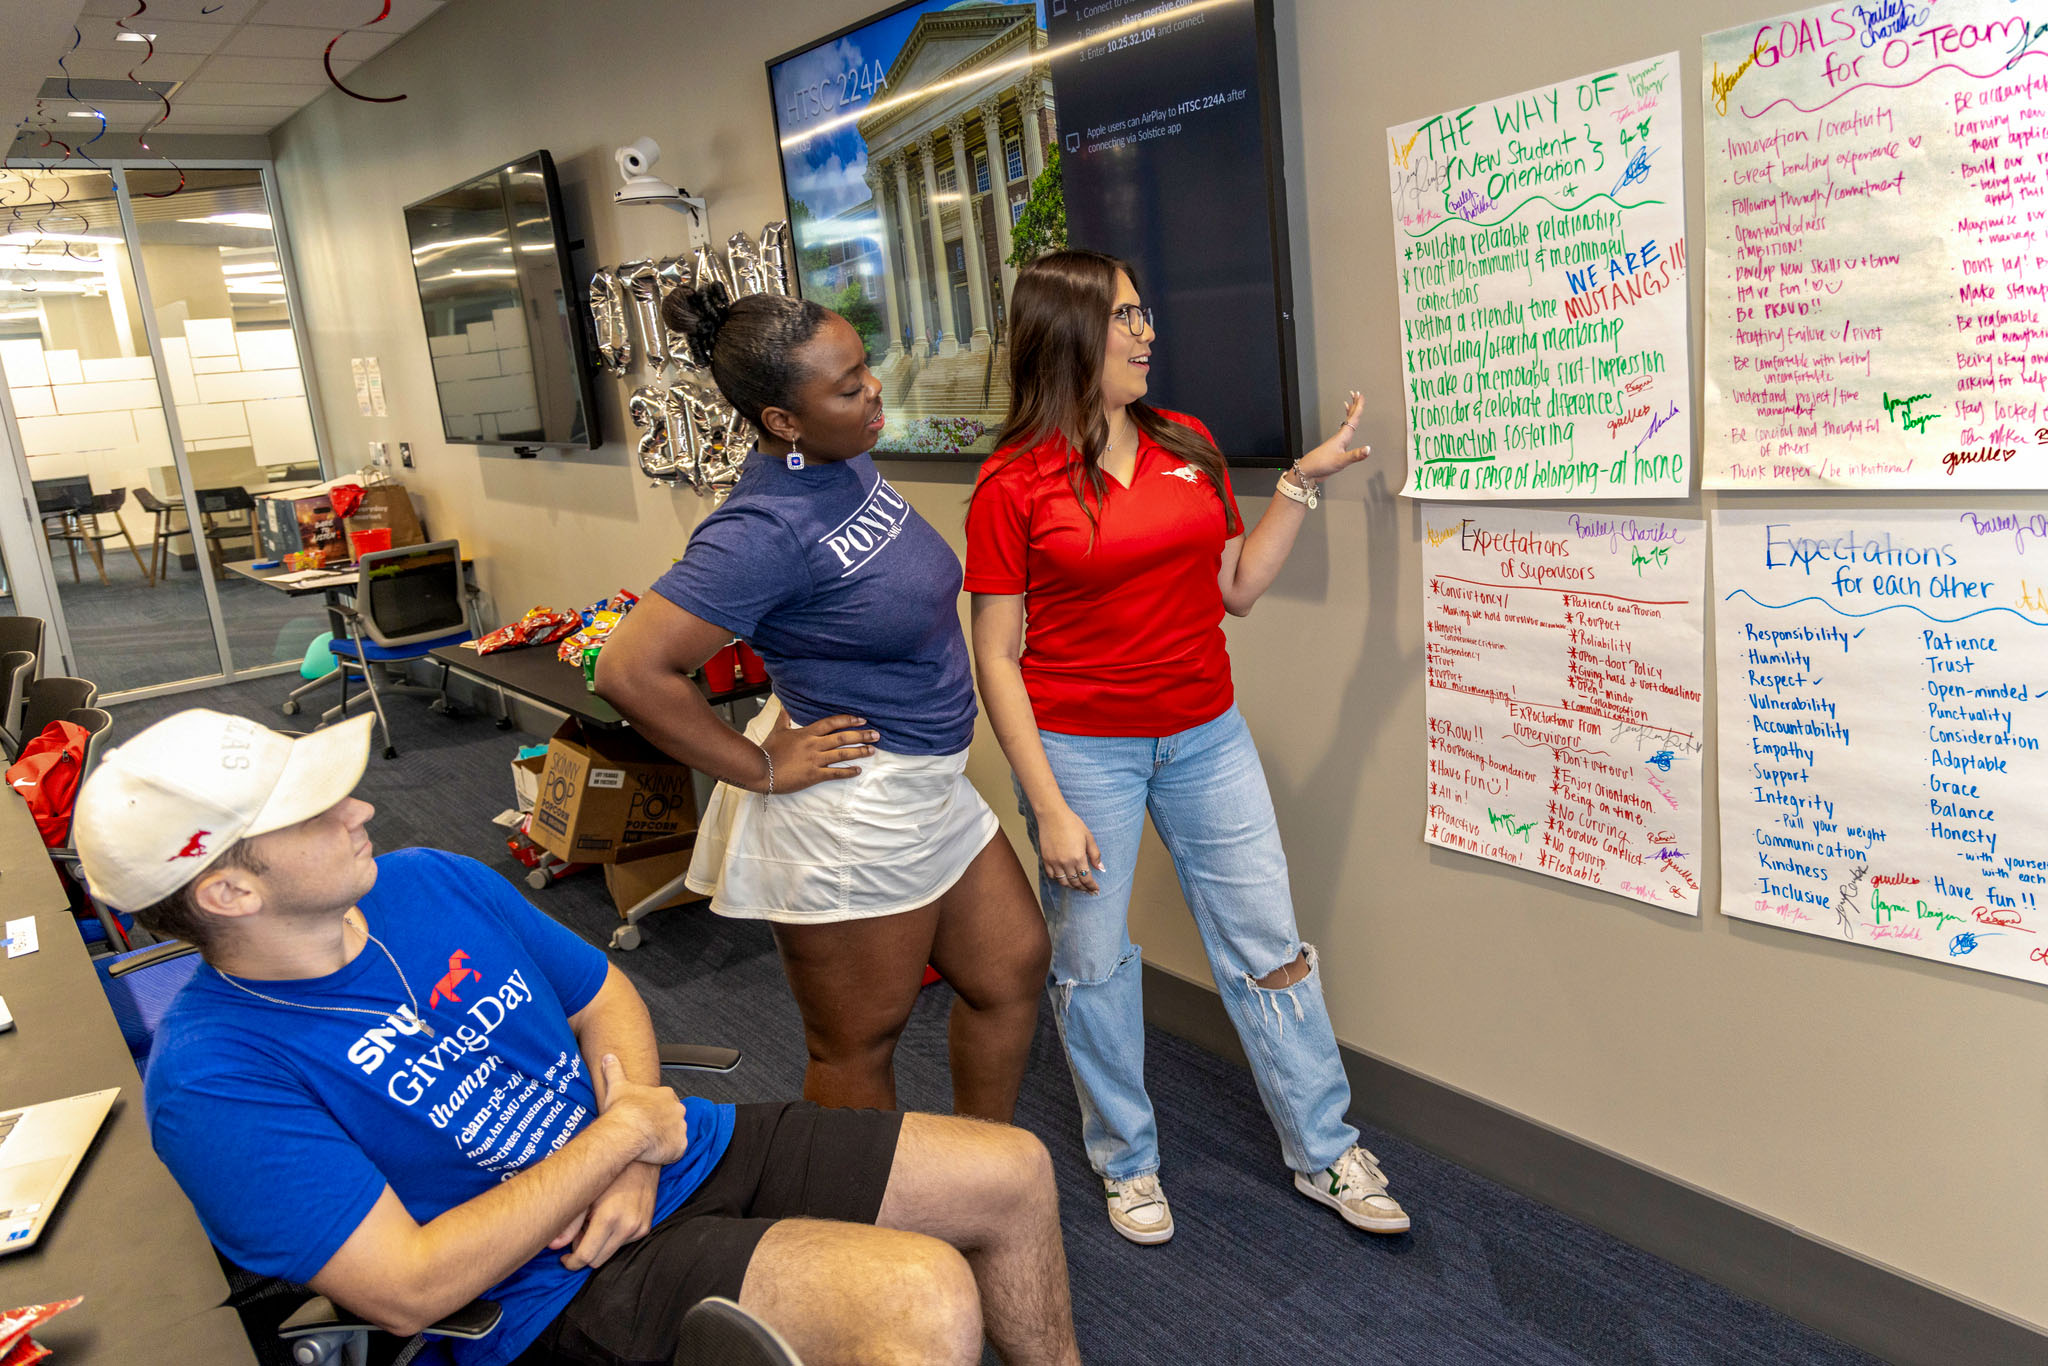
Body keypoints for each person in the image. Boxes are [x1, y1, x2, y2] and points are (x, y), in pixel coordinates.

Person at [73, 709, 1081, 1366]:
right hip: (543, 1287)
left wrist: (635, 1152)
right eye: (314, 812)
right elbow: (406, 1287)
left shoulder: (429, 879)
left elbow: (606, 1000)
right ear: (230, 889)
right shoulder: (213, 1079)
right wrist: (620, 1139)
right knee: (919, 1297)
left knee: (1012, 1169)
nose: (361, 807)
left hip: (665, 1156)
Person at [963, 248, 1409, 1247]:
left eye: (1142, 312)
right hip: (1080, 749)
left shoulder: (1187, 443)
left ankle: (1323, 1149)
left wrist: (1297, 482)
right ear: (1069, 332)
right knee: (1095, 961)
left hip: (1206, 734)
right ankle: (1125, 1161)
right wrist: (1048, 803)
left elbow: (1236, 589)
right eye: (1125, 317)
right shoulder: (1011, 484)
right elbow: (995, 656)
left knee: (1268, 943)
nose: (1145, 332)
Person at [595, 281, 1050, 1123]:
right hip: (853, 811)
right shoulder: (761, 530)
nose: (873, 390)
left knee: (1012, 969)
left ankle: (979, 1179)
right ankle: (863, 1246)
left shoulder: (844, 464)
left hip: (928, 786)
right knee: (857, 1045)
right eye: (846, 388)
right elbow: (629, 670)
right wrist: (760, 765)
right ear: (782, 422)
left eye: (864, 369)